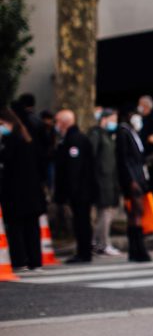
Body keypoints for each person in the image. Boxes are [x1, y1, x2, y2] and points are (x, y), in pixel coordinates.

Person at [0, 108, 46, 271]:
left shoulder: (11, 140)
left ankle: (19, 260)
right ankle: (35, 261)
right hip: (32, 192)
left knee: (16, 228)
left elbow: (6, 162)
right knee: (32, 229)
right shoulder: (27, 138)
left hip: (16, 193)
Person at [54, 109, 97, 264]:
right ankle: (83, 251)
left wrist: (70, 191)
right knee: (81, 222)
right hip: (82, 190)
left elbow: (74, 168)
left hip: (80, 192)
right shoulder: (74, 138)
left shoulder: (74, 140)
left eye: (57, 121)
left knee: (81, 222)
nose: (56, 125)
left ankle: (84, 252)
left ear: (64, 123)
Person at [116, 108, 152, 262]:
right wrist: (132, 180)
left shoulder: (130, 132)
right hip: (133, 180)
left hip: (137, 178)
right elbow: (124, 159)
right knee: (136, 212)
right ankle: (138, 249)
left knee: (136, 213)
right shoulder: (124, 132)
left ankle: (136, 250)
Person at [88, 108, 122, 256]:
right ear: (104, 119)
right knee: (105, 213)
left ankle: (97, 241)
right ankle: (102, 242)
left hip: (110, 179)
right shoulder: (96, 135)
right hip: (102, 180)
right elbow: (92, 157)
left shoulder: (108, 135)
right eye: (113, 119)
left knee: (108, 212)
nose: (115, 123)